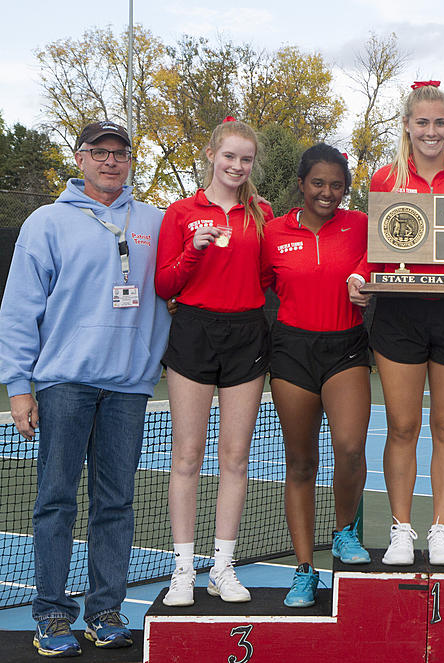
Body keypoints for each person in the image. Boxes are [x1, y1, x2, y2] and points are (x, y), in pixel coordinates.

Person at [0, 120, 170, 656]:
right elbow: (20, 309)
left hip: (128, 388)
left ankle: (105, 613)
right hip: (64, 384)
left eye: (120, 153)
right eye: (100, 152)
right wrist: (18, 386)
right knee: (55, 502)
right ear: (80, 158)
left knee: (115, 503)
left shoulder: (156, 223)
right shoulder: (45, 222)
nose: (111, 161)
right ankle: (52, 616)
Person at [347, 81, 444, 566]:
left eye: (440, 122)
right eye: (422, 122)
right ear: (407, 124)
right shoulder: (386, 178)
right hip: (399, 316)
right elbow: (375, 252)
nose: (431, 131)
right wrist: (358, 277)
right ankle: (403, 530)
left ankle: (442, 530)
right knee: (402, 426)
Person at [155, 117, 273, 606]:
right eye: (230, 156)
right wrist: (191, 251)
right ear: (211, 154)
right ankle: (183, 569)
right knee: (185, 457)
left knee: (235, 459)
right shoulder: (182, 213)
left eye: (246, 159)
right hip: (193, 333)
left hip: (247, 334)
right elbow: (164, 285)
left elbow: (270, 278)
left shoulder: (263, 213)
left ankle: (223, 567)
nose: (238, 166)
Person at [261, 144, 371, 607]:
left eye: (337, 185)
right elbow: (250, 282)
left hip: (346, 348)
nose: (328, 193)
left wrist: (364, 276)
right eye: (318, 183)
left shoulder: (363, 226)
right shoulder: (272, 233)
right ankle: (304, 570)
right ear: (301, 185)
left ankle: (344, 530)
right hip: (291, 351)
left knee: (349, 447)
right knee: (301, 463)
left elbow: (388, 261)